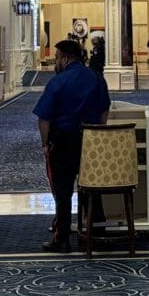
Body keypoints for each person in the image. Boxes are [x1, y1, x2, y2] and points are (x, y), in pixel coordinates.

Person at [33, 38, 111, 253]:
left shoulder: (58, 82)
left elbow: (44, 118)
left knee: (63, 191)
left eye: (57, 58)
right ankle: (95, 234)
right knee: (91, 188)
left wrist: (45, 144)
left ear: (66, 59)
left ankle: (62, 239)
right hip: (91, 140)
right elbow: (105, 109)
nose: (55, 62)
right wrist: (98, 132)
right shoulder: (96, 78)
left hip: (64, 140)